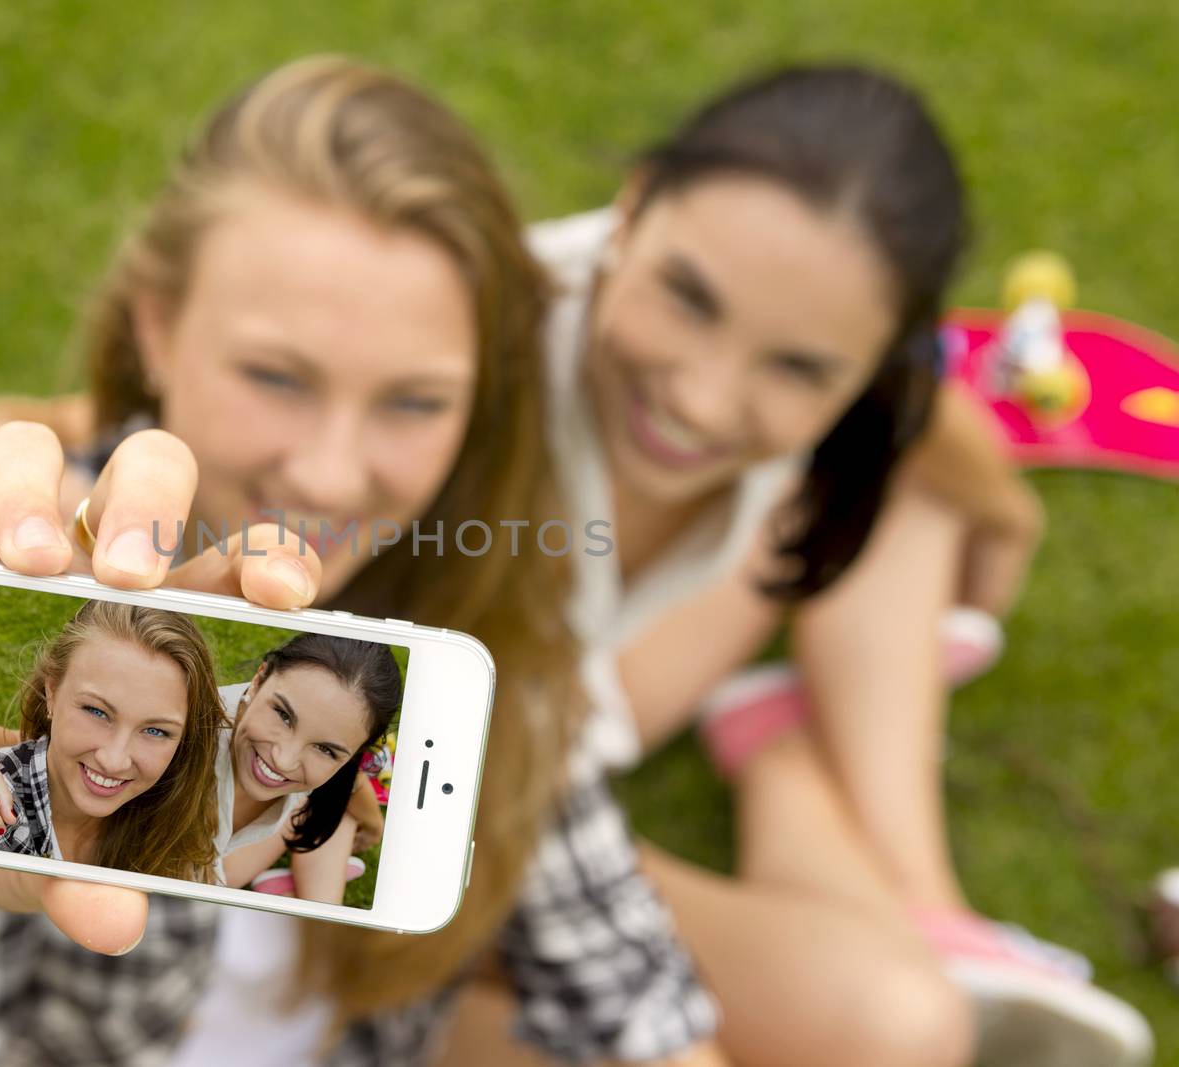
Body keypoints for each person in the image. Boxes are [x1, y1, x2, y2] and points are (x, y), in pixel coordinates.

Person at [0, 56, 723, 1067]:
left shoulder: (471, 619)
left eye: (414, 399)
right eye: (274, 374)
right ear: (158, 325)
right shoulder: (27, 541)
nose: (333, 475)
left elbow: (623, 978)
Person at [448, 64, 1150, 1067]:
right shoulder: (456, 375)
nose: (700, 394)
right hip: (440, 833)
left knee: (905, 1028)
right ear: (632, 203)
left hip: (562, 737)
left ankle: (861, 833)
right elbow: (455, 806)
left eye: (798, 364)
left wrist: (1005, 517)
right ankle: (827, 804)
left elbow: (925, 417)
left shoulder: (834, 373)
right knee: (890, 1033)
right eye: (688, 297)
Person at [0, 631, 402, 903]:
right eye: (282, 714)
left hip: (269, 822)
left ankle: (314, 890)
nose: (283, 757)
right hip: (203, 874)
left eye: (328, 749)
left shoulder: (322, 766)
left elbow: (347, 777)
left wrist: (371, 821)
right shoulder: (179, 730)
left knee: (322, 852)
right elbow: (44, 751)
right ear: (259, 679)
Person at [0, 600, 224, 885]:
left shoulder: (176, 813)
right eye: (96, 711)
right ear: (52, 692)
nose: (114, 760)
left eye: (155, 731)